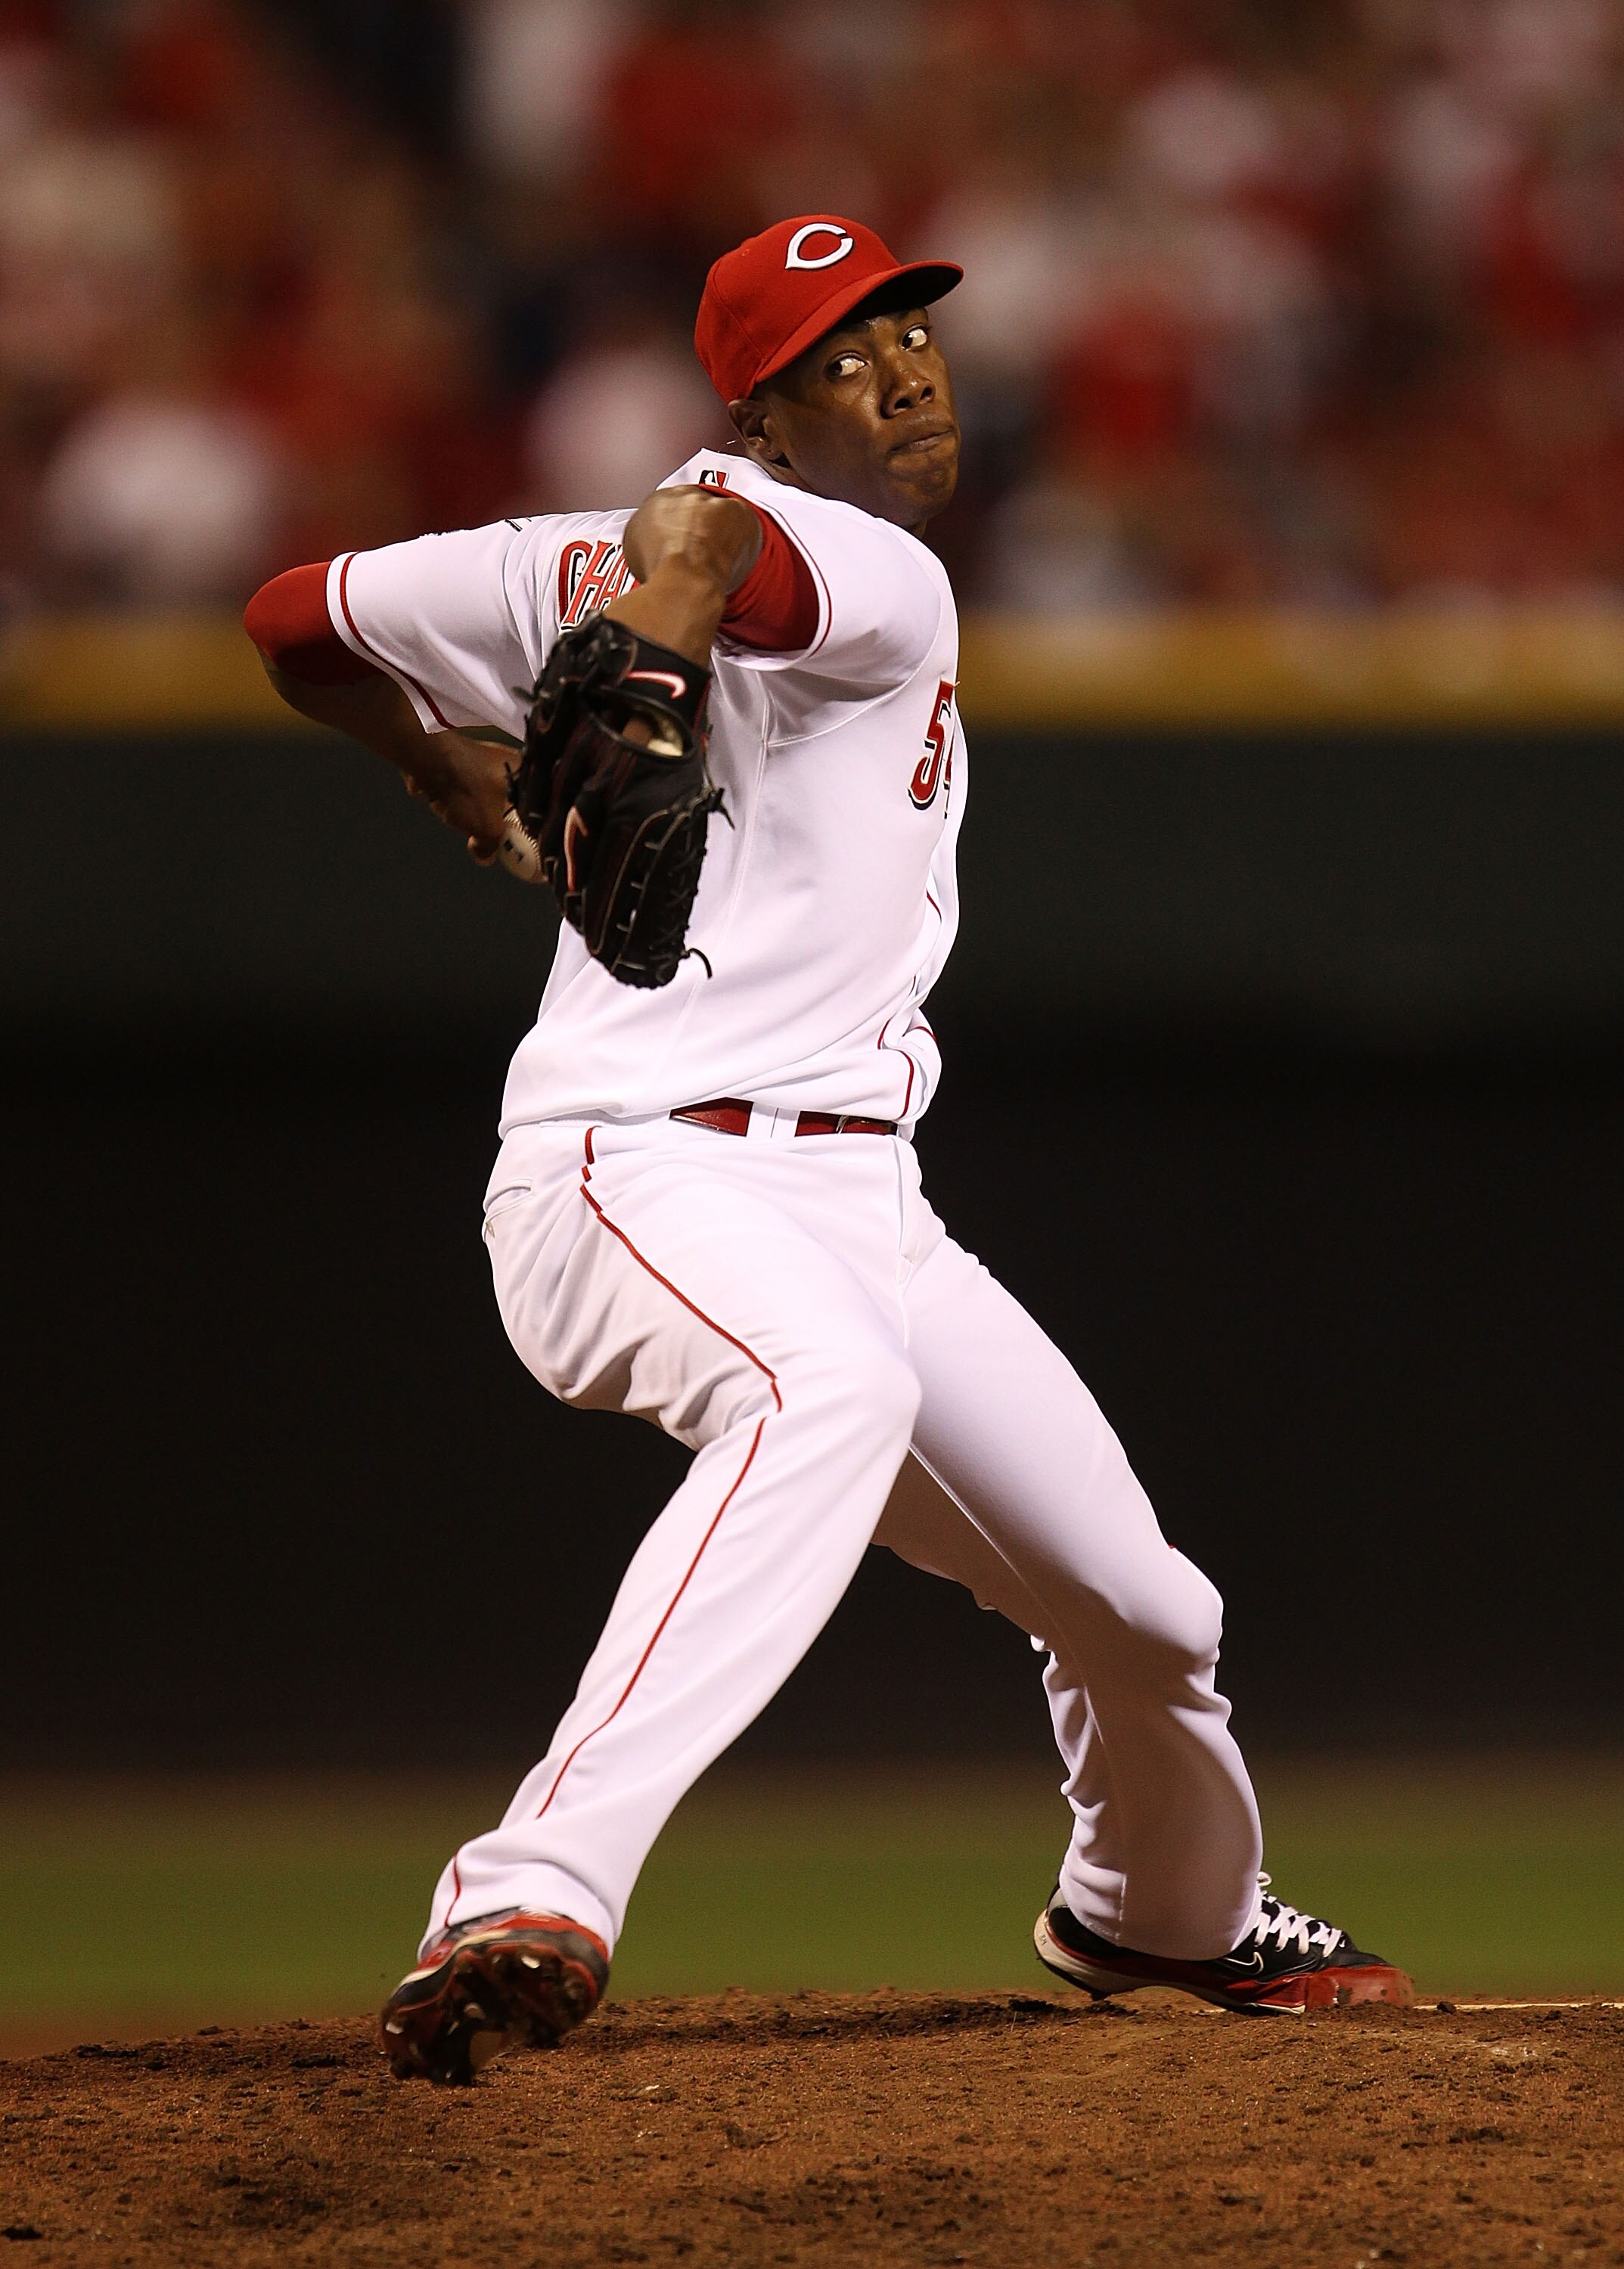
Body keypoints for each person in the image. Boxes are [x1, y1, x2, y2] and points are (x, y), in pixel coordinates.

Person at [245, 213, 1411, 2084]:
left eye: (914, 332)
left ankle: (1160, 1906)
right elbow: (700, 550)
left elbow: (296, 619)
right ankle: (528, 1887)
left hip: (862, 1191)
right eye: (849, 354)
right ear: (765, 408)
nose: (912, 371)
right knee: (824, 1392)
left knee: (1144, 1609)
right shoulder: (866, 566)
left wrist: (445, 755)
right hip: (640, 1166)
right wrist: (624, 646)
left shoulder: (553, 558)